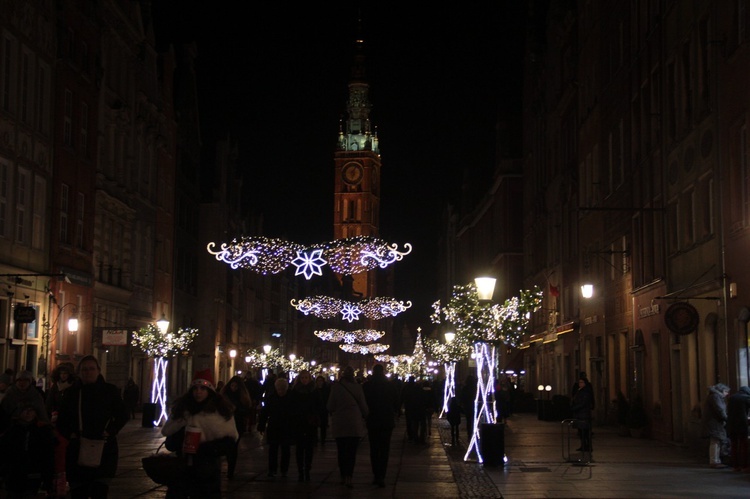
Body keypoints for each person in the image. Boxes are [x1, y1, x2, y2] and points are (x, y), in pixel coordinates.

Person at [56, 355, 129, 499]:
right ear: (78, 372)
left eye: (91, 369)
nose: (88, 372)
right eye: (84, 369)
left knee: (100, 490)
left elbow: (122, 415)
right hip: (78, 449)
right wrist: (70, 434)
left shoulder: (110, 391)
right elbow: (62, 420)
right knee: (79, 491)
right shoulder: (72, 393)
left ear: (98, 371)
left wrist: (110, 431)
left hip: (104, 449)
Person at [161, 377, 238, 498]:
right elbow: (170, 440)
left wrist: (204, 449)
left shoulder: (220, 412)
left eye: (203, 388)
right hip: (182, 470)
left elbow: (228, 442)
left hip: (207, 471)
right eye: (195, 388)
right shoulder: (182, 411)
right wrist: (180, 439)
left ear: (210, 391)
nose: (198, 392)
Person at [0, 403, 56, 497]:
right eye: (24, 410)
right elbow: (5, 454)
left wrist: (47, 479)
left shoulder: (42, 431)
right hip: (14, 475)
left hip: (33, 475)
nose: (28, 413)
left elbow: (48, 457)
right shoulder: (11, 431)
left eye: (31, 410)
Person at [327, 365, 368, 488]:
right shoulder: (358, 388)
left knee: (341, 451)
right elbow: (363, 406)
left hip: (340, 424)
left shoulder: (335, 388)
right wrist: (366, 415)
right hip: (354, 424)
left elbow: (329, 406)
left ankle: (342, 475)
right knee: (351, 452)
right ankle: (349, 476)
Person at [362, 364, 399, 488]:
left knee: (374, 449)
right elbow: (396, 401)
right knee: (384, 449)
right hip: (386, 420)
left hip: (373, 420)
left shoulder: (367, 386)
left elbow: (364, 402)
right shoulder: (389, 386)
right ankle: (381, 475)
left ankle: (376, 474)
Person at [257, 377, 295, 478]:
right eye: (279, 389)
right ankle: (272, 469)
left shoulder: (290, 397)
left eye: (282, 389)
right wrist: (261, 425)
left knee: (285, 450)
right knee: (273, 449)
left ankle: (283, 469)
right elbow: (264, 413)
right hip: (274, 427)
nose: (281, 391)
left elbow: (295, 413)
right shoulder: (271, 398)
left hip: (286, 427)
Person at [220, 375, 253, 479]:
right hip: (225, 424)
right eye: (232, 386)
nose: (233, 388)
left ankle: (231, 470)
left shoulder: (243, 398)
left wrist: (237, 410)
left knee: (233, 447)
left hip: (238, 424)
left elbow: (247, 410)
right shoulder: (224, 395)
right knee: (227, 447)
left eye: (236, 386)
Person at [290, 370, 320, 482]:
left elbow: (319, 406)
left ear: (309, 378)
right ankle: (300, 470)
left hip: (310, 423)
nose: (304, 380)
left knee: (309, 448)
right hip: (298, 423)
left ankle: (307, 468)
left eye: (306, 377)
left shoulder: (314, 391)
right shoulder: (295, 391)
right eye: (302, 377)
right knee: (299, 448)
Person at [702, 383, 731, 469]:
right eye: (726, 391)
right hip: (715, 423)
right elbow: (720, 409)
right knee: (715, 441)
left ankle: (715, 460)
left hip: (714, 422)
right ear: (721, 390)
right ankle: (714, 461)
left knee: (716, 441)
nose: (727, 394)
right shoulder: (715, 397)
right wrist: (726, 418)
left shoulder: (714, 396)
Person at [726, 385, 750, 471]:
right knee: (744, 445)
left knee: (734, 445)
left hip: (731, 424)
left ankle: (735, 466)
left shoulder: (732, 398)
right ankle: (744, 466)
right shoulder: (746, 398)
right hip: (742, 425)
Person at [571, 377, 594, 453]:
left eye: (582, 382)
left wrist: (575, 408)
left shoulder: (586, 392)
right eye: (579, 382)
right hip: (579, 414)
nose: (580, 384)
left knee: (585, 432)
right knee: (581, 432)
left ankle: (588, 446)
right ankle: (583, 445)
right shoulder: (579, 391)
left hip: (584, 414)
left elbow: (584, 403)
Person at [459, 374, 477, 441]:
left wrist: (462, 404)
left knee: (469, 421)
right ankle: (474, 434)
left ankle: (469, 435)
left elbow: (462, 397)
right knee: (474, 420)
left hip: (468, 406)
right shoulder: (476, 388)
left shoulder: (465, 388)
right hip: (475, 406)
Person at [314, 375, 331, 444]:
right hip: (316, 410)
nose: (320, 382)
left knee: (323, 426)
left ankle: (323, 439)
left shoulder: (326, 390)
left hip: (324, 410)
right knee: (315, 425)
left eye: (321, 381)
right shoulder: (314, 390)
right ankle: (315, 439)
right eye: (318, 381)